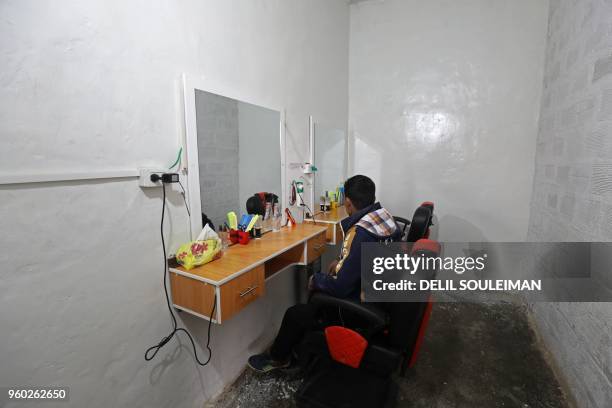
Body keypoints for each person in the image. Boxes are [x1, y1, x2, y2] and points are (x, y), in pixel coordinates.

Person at [247, 175, 400, 373]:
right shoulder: (384, 217)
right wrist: (343, 260)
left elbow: (341, 287)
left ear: (347, 202)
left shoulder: (361, 233)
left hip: (361, 308)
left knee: (296, 313)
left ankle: (279, 358)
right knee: (315, 300)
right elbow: (363, 257)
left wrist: (316, 279)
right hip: (384, 294)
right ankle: (306, 343)